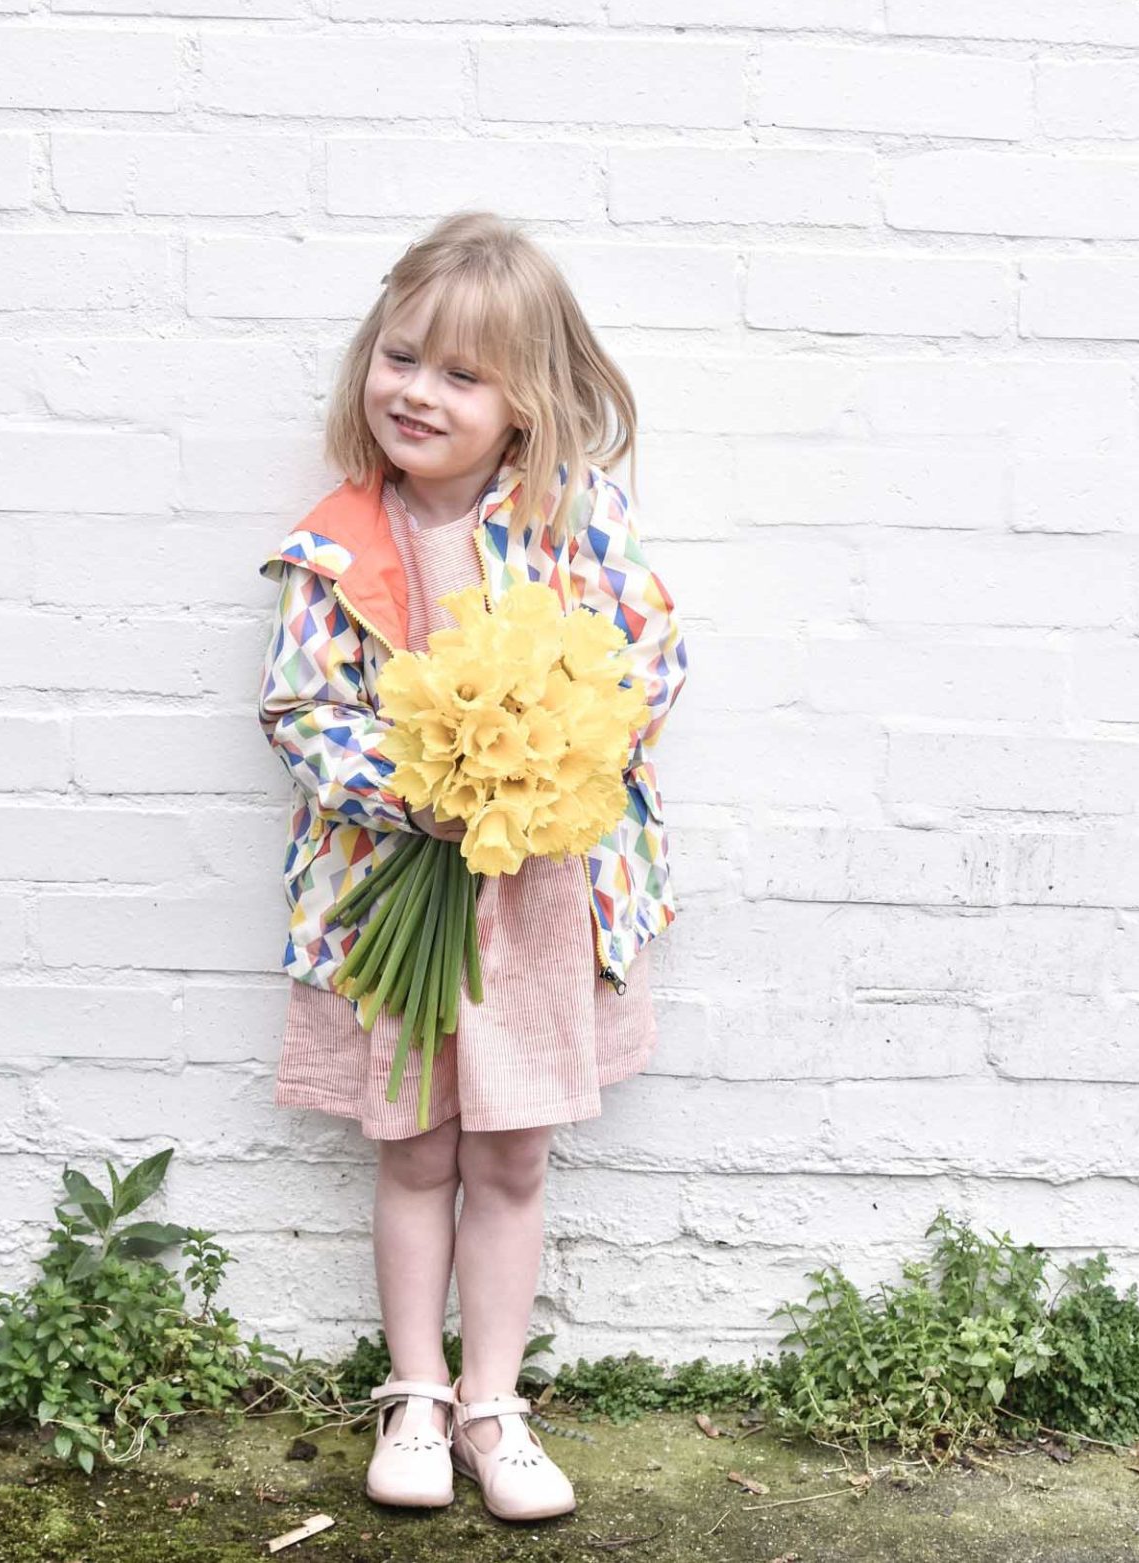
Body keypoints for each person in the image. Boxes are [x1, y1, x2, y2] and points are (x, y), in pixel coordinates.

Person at [255, 211, 688, 1523]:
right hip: (400, 891)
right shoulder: (336, 543)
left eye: (461, 374)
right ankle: (415, 1391)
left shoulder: (576, 518)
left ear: (526, 405)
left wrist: (541, 766)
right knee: (416, 1151)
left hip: (541, 897)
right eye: (401, 358)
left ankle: (494, 1402)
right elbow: (300, 714)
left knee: (509, 1160)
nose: (418, 392)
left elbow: (646, 665)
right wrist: (427, 787)